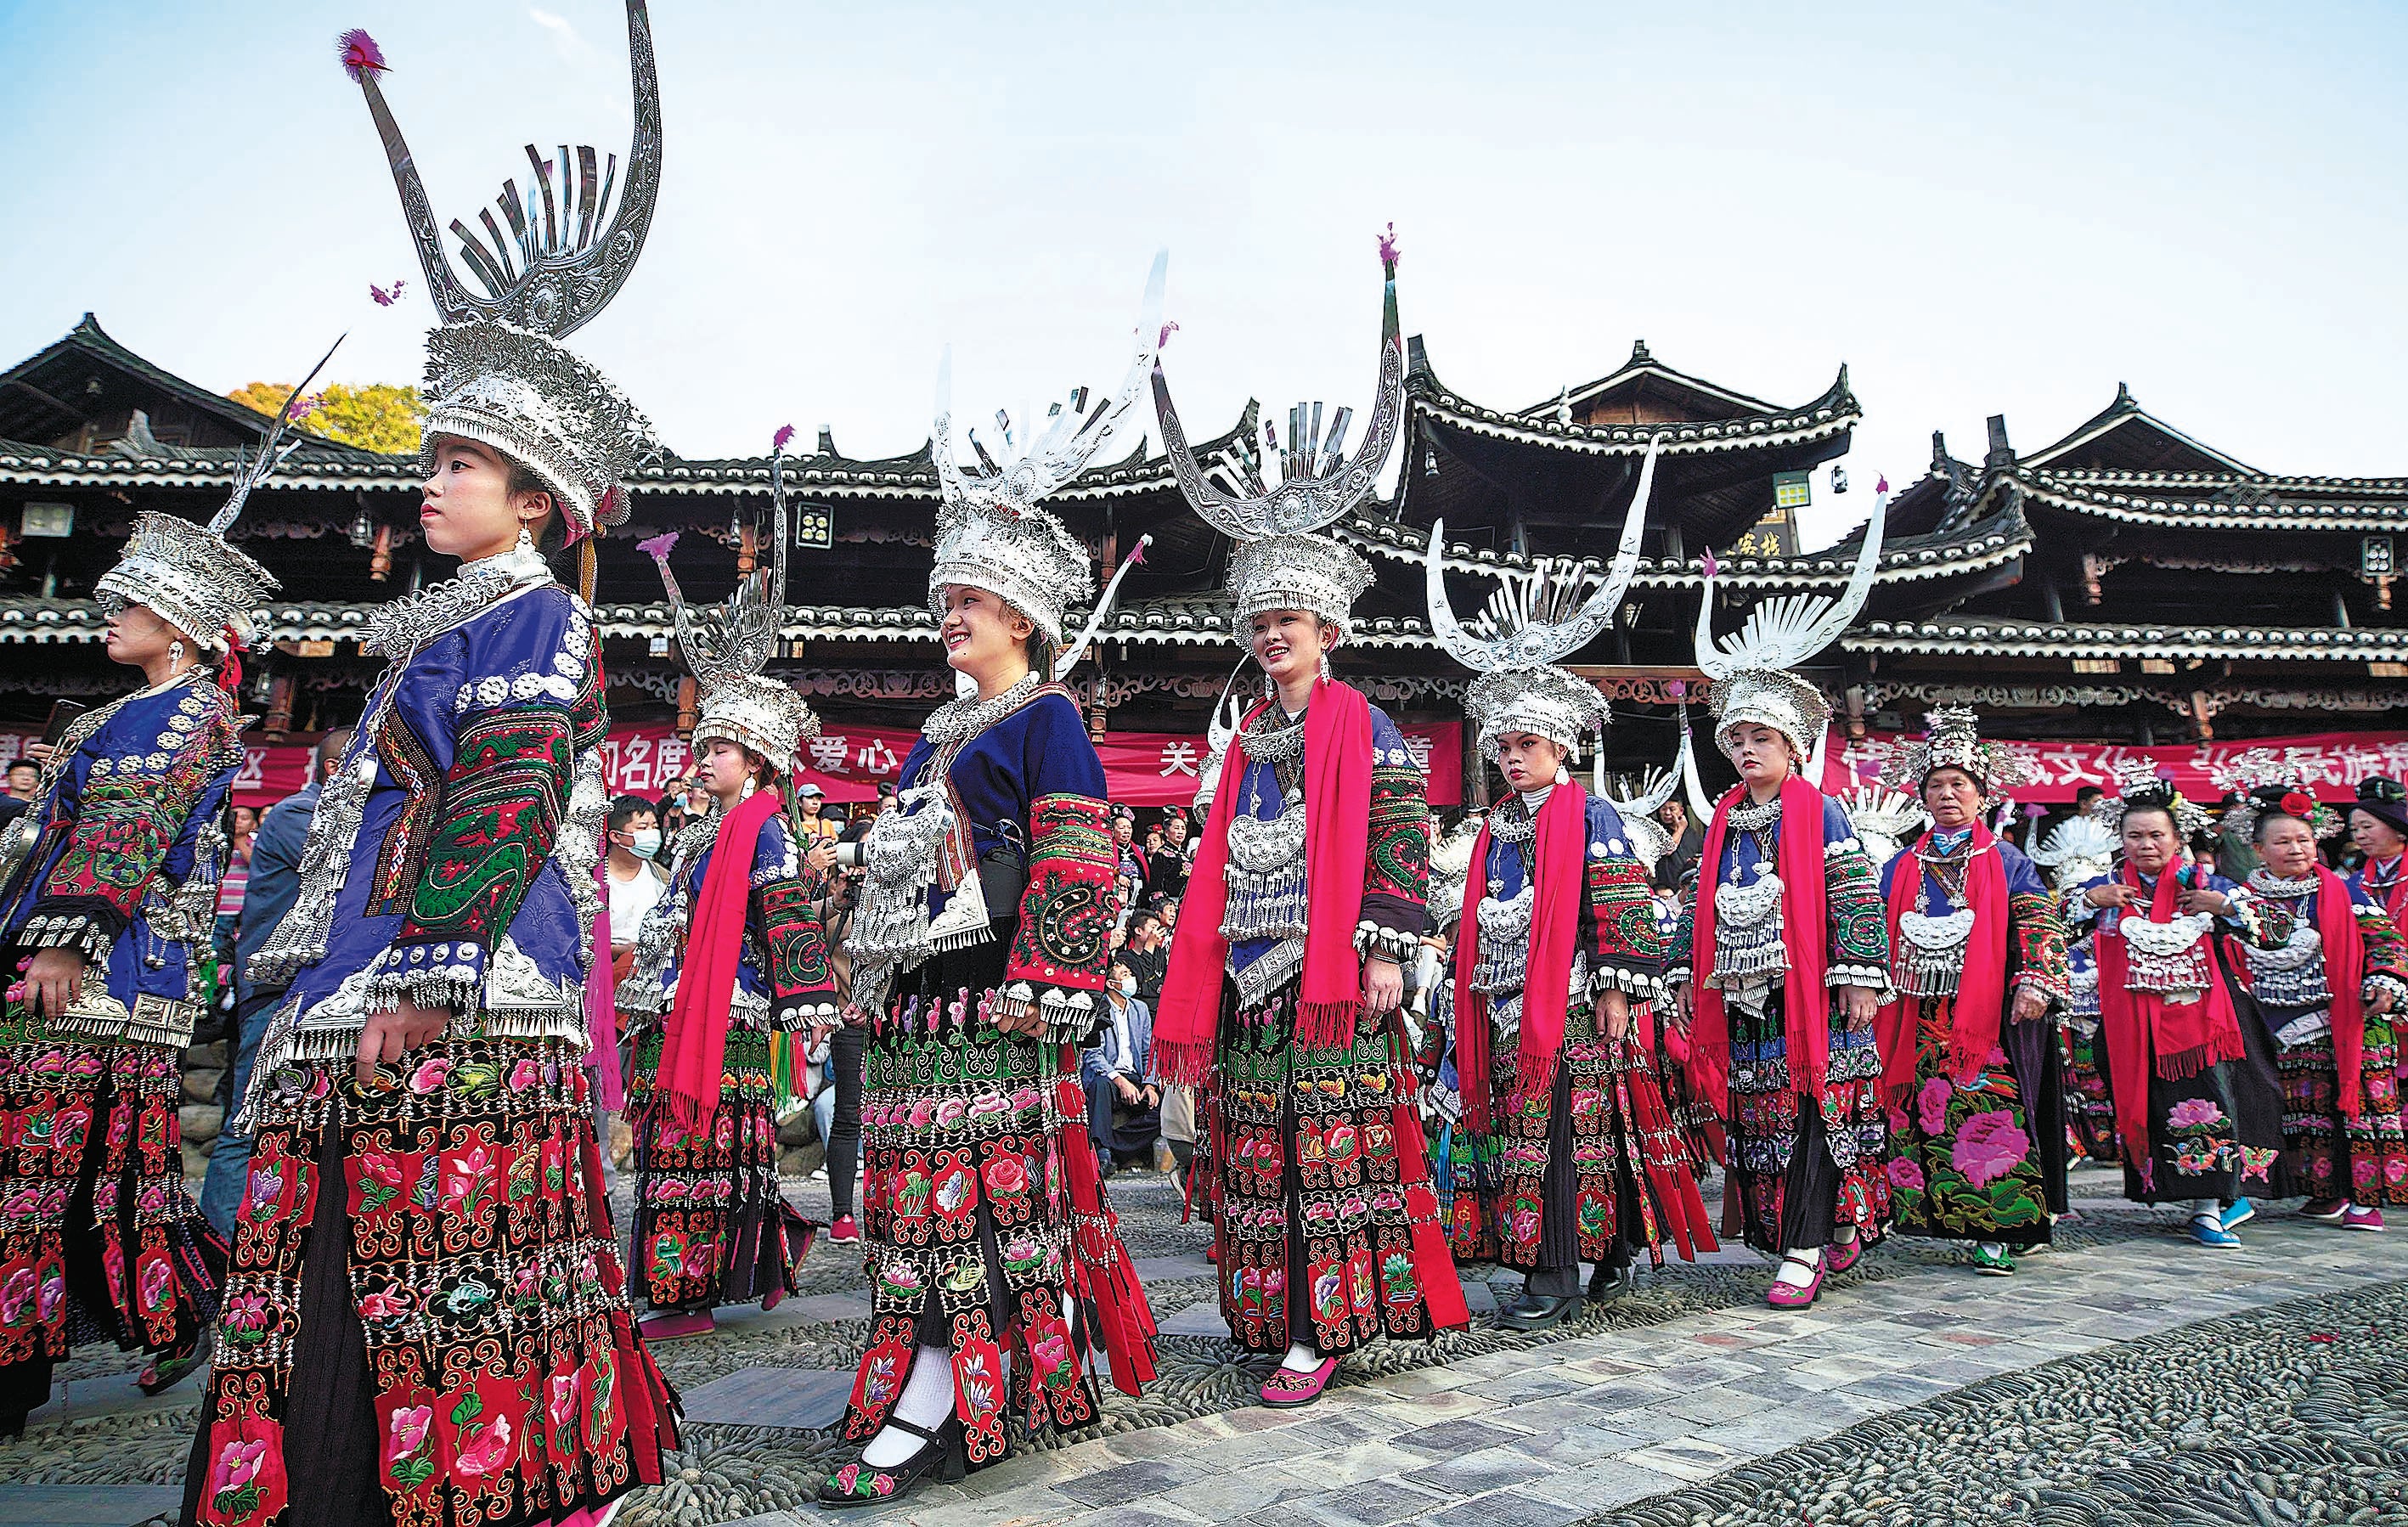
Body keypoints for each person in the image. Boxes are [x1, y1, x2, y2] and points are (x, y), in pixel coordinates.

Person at [184, 20, 680, 1524]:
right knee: (355, 1261)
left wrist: (435, 960)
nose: (433, 475)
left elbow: (511, 787)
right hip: (368, 966)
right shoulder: (437, 625)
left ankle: (487, 1480)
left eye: (463, 459)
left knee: (440, 1257)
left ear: (531, 493)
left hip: (446, 974)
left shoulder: (538, 611)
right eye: (437, 452)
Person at [817, 273, 1163, 1507]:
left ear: (1019, 613)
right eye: (944, 600)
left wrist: (1051, 986)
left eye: (967, 601)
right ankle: (930, 1363)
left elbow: (1079, 847)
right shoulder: (935, 727)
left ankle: (965, 1381)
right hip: (919, 1003)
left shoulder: (1048, 714)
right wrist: (860, 976)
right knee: (917, 1199)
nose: (948, 616)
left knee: (986, 1198)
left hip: (998, 1001)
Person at [1149, 234, 1469, 1411]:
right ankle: (1268, 1307)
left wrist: (1386, 952)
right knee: (1254, 1148)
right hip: (1243, 971)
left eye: (1291, 618)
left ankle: (1319, 1323)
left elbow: (1397, 838)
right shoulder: (1246, 743)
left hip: (1332, 971)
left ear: (1327, 629)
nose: (1274, 634)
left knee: (1324, 1146)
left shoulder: (1361, 724)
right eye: (1262, 620)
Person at [0, 425, 290, 1428]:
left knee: (46, 1166)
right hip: (73, 951)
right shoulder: (107, 713)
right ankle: (163, 1314)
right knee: (93, 1166)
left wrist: (60, 939)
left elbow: (130, 826)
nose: (107, 614)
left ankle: (30, 1354)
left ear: (179, 624)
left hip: (108, 964)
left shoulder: (194, 715)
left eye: (129, 602)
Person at [1421, 453, 1715, 1329]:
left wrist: (1622, 989)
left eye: (1526, 745)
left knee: (1568, 1139)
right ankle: (1605, 1250)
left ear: (1560, 747)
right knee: (1543, 1137)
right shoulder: (1497, 828)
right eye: (1502, 746)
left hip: (1579, 1002)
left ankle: (1558, 1271)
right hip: (1507, 1002)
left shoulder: (1590, 819)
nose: (1512, 758)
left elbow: (1623, 906)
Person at [1673, 490, 1892, 1310]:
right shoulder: (1724, 821)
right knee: (1766, 1121)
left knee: (1813, 1116)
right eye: (1734, 740)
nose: (1743, 751)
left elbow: (1853, 891)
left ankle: (1804, 1244)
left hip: (1816, 993)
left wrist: (1860, 973)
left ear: (1792, 747)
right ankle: (1810, 1229)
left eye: (1758, 739)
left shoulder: (1819, 810)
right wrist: (1680, 977)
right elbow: (1699, 905)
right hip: (1747, 995)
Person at [621, 512, 836, 1339]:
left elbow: (784, 909)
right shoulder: (701, 830)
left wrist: (807, 997)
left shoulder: (764, 827)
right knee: (725, 1154)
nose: (701, 760)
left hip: (730, 1009)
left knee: (699, 1151)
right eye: (702, 747)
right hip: (682, 1000)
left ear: (755, 760)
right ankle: (772, 1256)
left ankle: (689, 1293)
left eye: (717, 750)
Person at [1870, 709, 2072, 1277]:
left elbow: (2037, 922)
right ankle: (1930, 1214)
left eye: (1958, 783)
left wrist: (2035, 980)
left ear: (1982, 795)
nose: (1946, 794)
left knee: (1989, 1110)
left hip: (1988, 1015)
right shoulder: (1899, 866)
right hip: (1918, 1011)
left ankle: (1998, 1228)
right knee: (1922, 1113)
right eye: (1935, 785)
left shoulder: (2006, 861)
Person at [2074, 762, 2296, 1248]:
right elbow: (2057, 931)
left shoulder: (2206, 885)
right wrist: (2090, 901)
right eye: (2135, 836)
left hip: (2202, 1023)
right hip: (2133, 1024)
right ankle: (2171, 1189)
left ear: (2178, 838)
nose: (2146, 845)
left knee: (2207, 1104)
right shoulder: (2107, 888)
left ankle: (2210, 1206)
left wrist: (2226, 908)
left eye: (2156, 834)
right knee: (2151, 1105)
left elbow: (2277, 931)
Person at [2227, 776, 2406, 1230]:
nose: (2295, 849)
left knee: (2354, 1111)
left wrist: (2384, 981)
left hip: (2345, 1017)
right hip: (2271, 1020)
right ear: (2258, 848)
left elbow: (2385, 940)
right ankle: (2323, 1191)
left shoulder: (2343, 890)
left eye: (2303, 840)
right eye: (2281, 841)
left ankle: (2364, 1199)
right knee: (2301, 1112)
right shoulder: (2238, 900)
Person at [199, 726, 352, 1239]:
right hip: (278, 989)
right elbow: (351, 873)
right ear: (338, 768)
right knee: (246, 1125)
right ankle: (217, 1250)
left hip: (322, 991)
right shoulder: (297, 815)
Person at [2029, 812, 2122, 1164]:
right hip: (2070, 1014)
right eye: (2069, 893)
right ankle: (2082, 1138)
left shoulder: (2113, 923)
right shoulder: (2056, 920)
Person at [809, 857, 865, 1243]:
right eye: (845, 875)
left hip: (895, 1021)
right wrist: (836, 902)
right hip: (849, 1024)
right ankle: (842, 1212)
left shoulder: (902, 903)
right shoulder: (831, 916)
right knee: (847, 1115)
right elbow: (793, 919)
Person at [1084, 961, 1159, 1175]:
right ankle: (1102, 1150)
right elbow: (1093, 1054)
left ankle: (1111, 1148)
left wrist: (1149, 1084)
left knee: (1161, 1111)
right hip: (1108, 1076)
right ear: (1111, 983)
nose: (1130, 978)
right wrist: (1119, 1080)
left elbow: (1147, 1051)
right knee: (1100, 1086)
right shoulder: (1099, 1008)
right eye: (1124, 974)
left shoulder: (1140, 1009)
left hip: (1134, 1077)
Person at [605, 795, 669, 982]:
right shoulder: (593, 881)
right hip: (604, 975)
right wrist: (619, 950)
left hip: (649, 978)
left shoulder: (663, 877)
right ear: (616, 836)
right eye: (642, 828)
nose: (652, 834)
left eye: (654, 827)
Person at [1121, 906, 1170, 1006]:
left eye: (1158, 927)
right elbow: (1141, 978)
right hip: (1138, 1008)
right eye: (1153, 927)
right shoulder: (1125, 958)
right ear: (1138, 930)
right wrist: (1150, 945)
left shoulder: (1161, 953)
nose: (1157, 931)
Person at [1654, 797, 1705, 890]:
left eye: (1672, 809)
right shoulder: (1656, 831)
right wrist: (1681, 828)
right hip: (1665, 890)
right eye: (1663, 809)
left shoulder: (1693, 835)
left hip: (1688, 889)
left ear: (1681, 811)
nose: (1668, 813)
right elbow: (1667, 849)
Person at [796, 781, 843, 846]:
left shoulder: (827, 824)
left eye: (818, 799)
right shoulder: (794, 826)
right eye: (810, 798)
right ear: (799, 801)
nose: (815, 802)